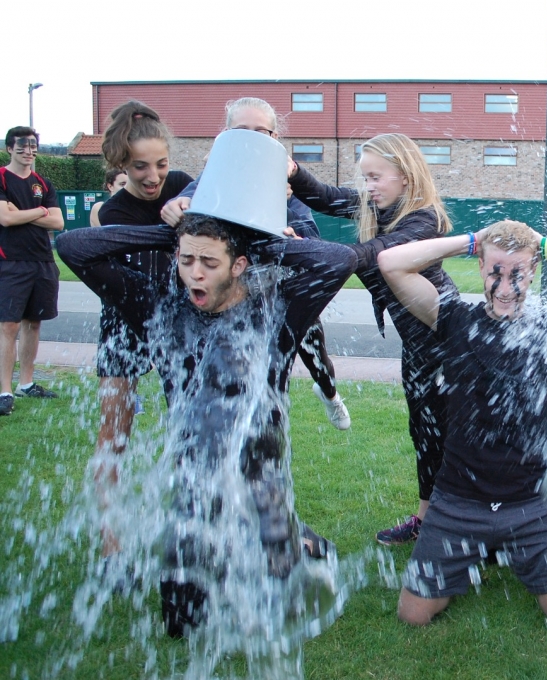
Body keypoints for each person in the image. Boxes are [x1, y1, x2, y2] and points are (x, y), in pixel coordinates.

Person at [55, 128, 357, 637]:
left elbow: (340, 259)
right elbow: (74, 245)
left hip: (263, 487)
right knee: (181, 623)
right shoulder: (159, 312)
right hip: (194, 490)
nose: (194, 274)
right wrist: (169, 233)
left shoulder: (275, 319)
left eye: (209, 263)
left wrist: (257, 235)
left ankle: (300, 539)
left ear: (239, 265)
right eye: (186, 260)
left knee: (283, 603)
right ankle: (281, 540)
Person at [377, 219, 547, 635]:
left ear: (532, 272)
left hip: (528, 505)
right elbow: (391, 263)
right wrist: (474, 240)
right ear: (480, 269)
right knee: (413, 616)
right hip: (458, 502)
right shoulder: (454, 318)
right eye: (495, 271)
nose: (506, 285)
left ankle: (509, 552)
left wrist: (546, 245)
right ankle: (473, 555)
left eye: (518, 273)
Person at [287, 133, 453, 545]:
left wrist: (310, 248)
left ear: (406, 176)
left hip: (450, 340)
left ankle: (469, 526)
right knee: (424, 431)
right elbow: (323, 196)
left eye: (376, 177)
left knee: (454, 435)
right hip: (416, 344)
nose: (369, 187)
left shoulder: (424, 219)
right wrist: (291, 170)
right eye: (365, 178)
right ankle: (427, 519)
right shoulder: (374, 207)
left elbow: (377, 253)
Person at [160, 96, 351, 431]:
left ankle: (329, 392)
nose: (250, 139)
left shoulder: (283, 182)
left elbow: (312, 236)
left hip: (276, 284)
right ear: (226, 136)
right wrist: (177, 204)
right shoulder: (216, 173)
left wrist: (295, 236)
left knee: (314, 350)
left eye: (260, 132)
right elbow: (189, 196)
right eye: (241, 130)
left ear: (274, 139)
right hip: (231, 288)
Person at [92, 101, 194, 555]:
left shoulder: (179, 184)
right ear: (120, 166)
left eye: (161, 164)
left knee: (192, 425)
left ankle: (193, 521)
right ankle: (111, 540)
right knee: (114, 432)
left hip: (177, 318)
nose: (153, 177)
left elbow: (207, 193)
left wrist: (185, 201)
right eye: (139, 168)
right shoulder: (115, 212)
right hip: (126, 323)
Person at [0, 126, 64, 416]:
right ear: (10, 148)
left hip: (42, 261)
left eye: (33, 146)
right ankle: (5, 391)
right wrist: (41, 213)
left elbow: (58, 223)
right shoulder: (1, 177)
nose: (29, 151)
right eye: (23, 146)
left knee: (33, 323)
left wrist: (29, 213)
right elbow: (5, 219)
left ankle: (27, 383)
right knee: (8, 326)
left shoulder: (43, 184)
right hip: (11, 262)